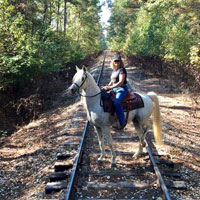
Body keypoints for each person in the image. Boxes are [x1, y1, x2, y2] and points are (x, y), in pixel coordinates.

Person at [102, 55, 128, 130]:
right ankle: (110, 119)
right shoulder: (114, 70)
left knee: (117, 102)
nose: (117, 62)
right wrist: (107, 86)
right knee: (104, 97)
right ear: (113, 62)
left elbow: (120, 82)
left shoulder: (122, 70)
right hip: (114, 89)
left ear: (120, 62)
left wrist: (111, 87)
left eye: (118, 61)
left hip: (121, 89)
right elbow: (112, 81)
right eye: (115, 61)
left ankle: (122, 122)